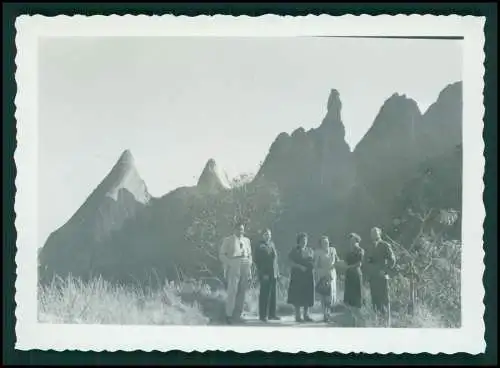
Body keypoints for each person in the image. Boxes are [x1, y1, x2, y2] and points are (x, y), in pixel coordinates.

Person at [219, 221, 253, 324]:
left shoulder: (246, 240)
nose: (240, 231)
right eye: (238, 229)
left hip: (245, 263)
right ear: (234, 229)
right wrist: (230, 263)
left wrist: (249, 270)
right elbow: (222, 255)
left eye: (242, 229)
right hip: (234, 262)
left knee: (242, 291)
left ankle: (238, 314)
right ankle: (229, 314)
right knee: (232, 290)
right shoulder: (228, 240)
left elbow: (249, 255)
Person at [366, 227, 396, 326]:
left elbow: (392, 260)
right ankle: (378, 322)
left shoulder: (385, 245)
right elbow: (369, 262)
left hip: (382, 277)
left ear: (380, 234)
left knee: (385, 299)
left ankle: (387, 322)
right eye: (372, 233)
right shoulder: (370, 246)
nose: (373, 235)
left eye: (375, 233)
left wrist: (385, 271)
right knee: (375, 300)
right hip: (373, 278)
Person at [254, 228, 281, 322]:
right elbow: (257, 261)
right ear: (262, 235)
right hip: (265, 273)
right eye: (266, 234)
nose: (268, 236)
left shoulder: (272, 244)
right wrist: (263, 273)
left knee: (273, 295)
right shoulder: (260, 246)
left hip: (273, 273)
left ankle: (272, 314)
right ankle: (263, 315)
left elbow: (275, 260)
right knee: (264, 295)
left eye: (269, 234)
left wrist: (277, 272)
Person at [287, 232, 315, 322]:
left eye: (305, 240)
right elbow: (290, 262)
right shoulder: (294, 250)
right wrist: (299, 266)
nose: (304, 242)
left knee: (307, 295)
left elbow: (314, 261)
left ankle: (306, 315)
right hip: (297, 276)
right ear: (298, 241)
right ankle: (297, 316)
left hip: (308, 276)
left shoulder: (310, 250)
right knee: (297, 295)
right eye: (302, 240)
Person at [313, 236, 338, 322]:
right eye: (323, 242)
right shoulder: (317, 252)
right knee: (324, 296)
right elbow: (315, 265)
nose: (325, 244)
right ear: (321, 244)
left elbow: (337, 261)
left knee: (330, 297)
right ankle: (325, 314)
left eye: (326, 242)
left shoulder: (333, 250)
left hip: (332, 275)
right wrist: (318, 274)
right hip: (322, 275)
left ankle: (329, 313)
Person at [343, 233, 364, 310]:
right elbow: (345, 262)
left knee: (357, 294)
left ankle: (358, 313)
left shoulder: (360, 250)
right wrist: (345, 266)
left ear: (357, 241)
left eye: (353, 241)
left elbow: (359, 263)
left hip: (356, 274)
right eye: (350, 241)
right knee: (349, 295)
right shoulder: (348, 252)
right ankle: (350, 314)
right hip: (349, 274)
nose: (351, 242)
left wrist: (349, 267)